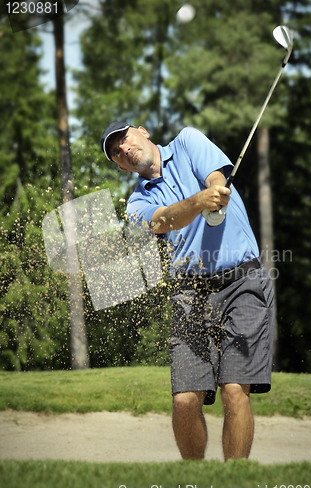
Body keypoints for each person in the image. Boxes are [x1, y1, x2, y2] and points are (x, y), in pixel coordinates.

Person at [100, 122, 275, 461]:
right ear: (121, 166)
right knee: (184, 400)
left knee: (235, 390)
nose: (124, 149)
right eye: (116, 153)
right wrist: (198, 202)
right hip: (190, 293)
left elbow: (215, 176)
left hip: (242, 282)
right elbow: (163, 220)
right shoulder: (137, 203)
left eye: (124, 139)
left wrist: (216, 191)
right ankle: (194, 485)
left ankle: (234, 487)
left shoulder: (187, 140)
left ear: (142, 132)